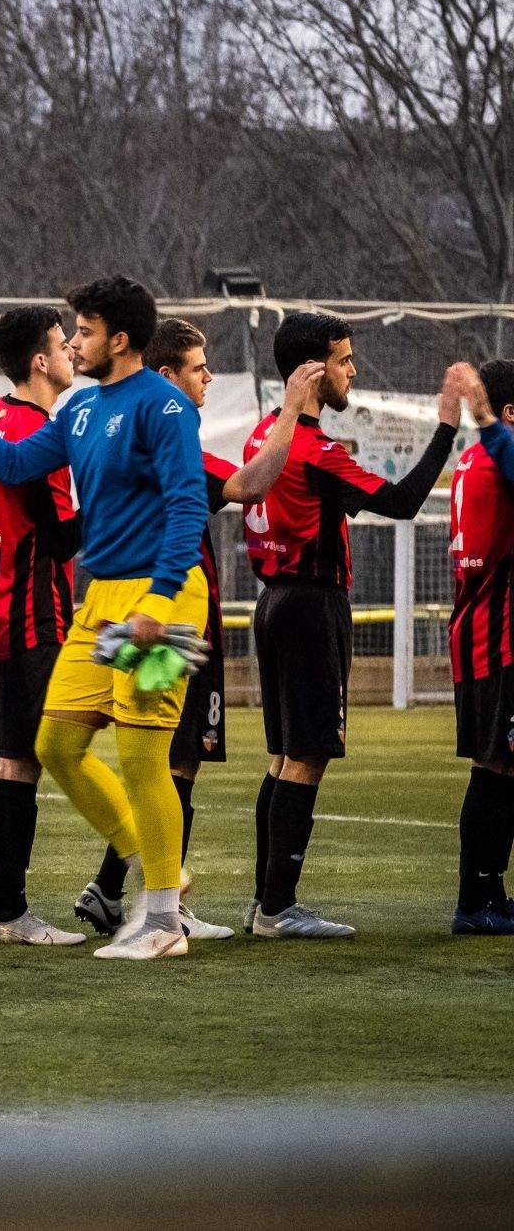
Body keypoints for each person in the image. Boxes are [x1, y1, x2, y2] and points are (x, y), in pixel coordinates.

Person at [0, 274, 208, 962]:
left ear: (120, 339)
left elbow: (188, 505)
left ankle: (163, 919)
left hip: (162, 600)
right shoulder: (79, 408)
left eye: (84, 331)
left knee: (143, 755)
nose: (73, 343)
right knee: (54, 746)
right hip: (101, 602)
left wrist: (159, 600)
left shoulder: (165, 406)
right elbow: (15, 461)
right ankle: (157, 869)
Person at [72, 321, 322, 941]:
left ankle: (120, 891)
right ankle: (146, 900)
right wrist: (291, 410)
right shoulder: (172, 447)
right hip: (168, 626)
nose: (208, 376)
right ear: (166, 377)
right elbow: (251, 485)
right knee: (172, 761)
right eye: (197, 366)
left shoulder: (119, 441)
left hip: (130, 613)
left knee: (158, 758)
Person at [242, 311, 466, 939]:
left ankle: (264, 902)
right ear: (313, 371)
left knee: (283, 757)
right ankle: (278, 909)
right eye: (343, 360)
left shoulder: (264, 434)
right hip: (311, 608)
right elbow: (401, 502)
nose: (353, 370)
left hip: (273, 602)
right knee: (307, 756)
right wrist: (446, 429)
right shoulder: (316, 451)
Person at [0, 306, 83, 947]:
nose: (71, 352)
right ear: (40, 360)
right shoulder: (40, 435)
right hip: (31, 618)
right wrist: (113, 503)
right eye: (63, 343)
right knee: (21, 763)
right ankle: (10, 912)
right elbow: (60, 540)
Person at [447, 359, 514, 935]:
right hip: (501, 637)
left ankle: (488, 893)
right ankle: (476, 899)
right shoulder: (501, 454)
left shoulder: (471, 459)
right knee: (497, 768)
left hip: (478, 631)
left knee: (498, 767)